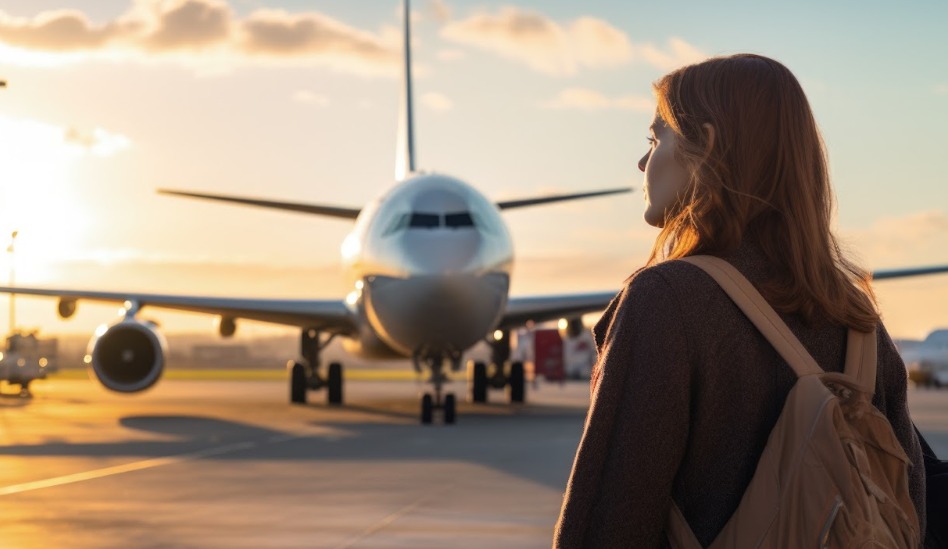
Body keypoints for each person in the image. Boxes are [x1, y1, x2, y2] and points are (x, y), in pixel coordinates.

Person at [552, 54, 926, 548]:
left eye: (655, 137)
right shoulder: (857, 320)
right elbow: (911, 510)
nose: (643, 162)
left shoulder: (666, 301)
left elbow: (604, 524)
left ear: (705, 146)